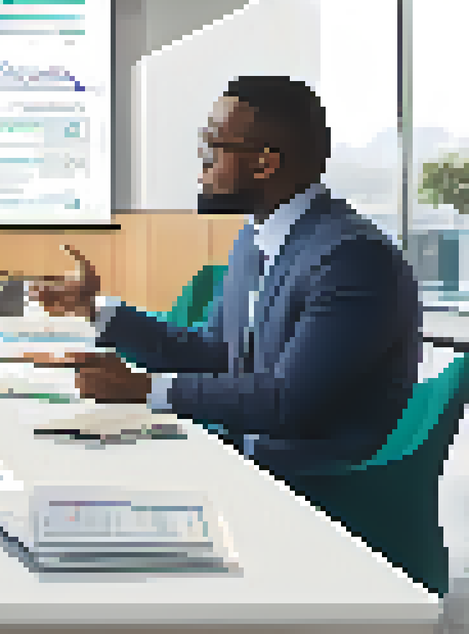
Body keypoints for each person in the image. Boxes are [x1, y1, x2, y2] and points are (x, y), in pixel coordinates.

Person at [31, 76, 420, 480]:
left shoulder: (351, 258)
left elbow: (290, 403)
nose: (201, 163)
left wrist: (145, 390)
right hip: (239, 455)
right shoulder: (256, 238)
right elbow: (216, 353)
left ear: (265, 163)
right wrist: (97, 311)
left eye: (212, 146)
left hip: (309, 485)